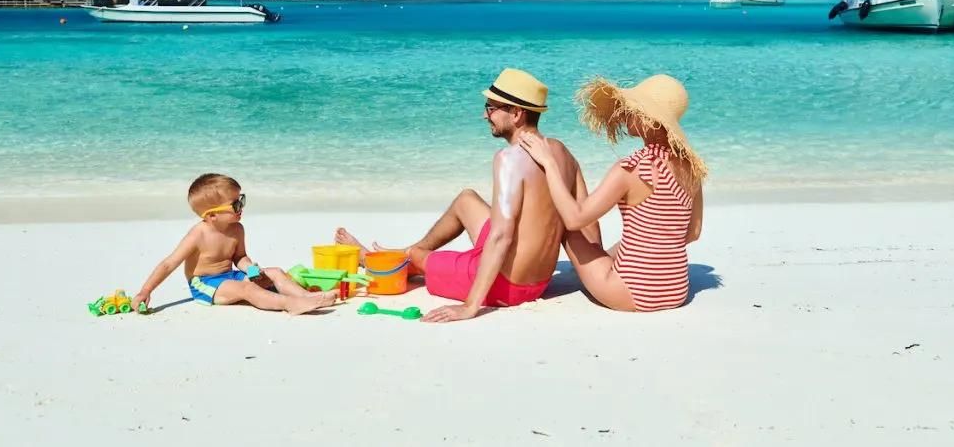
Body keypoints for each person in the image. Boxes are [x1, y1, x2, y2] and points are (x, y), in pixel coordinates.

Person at [335, 68, 585, 323]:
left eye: (491, 108)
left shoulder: (509, 160)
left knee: (416, 258)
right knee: (467, 199)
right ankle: (410, 251)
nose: (484, 114)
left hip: (505, 285)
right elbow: (585, 225)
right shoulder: (562, 153)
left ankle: (376, 259)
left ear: (517, 113)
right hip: (538, 281)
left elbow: (501, 236)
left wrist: (470, 306)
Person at [519, 73, 707, 312]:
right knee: (606, 247)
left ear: (649, 118)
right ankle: (601, 259)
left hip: (632, 293)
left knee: (564, 221)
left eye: (632, 108)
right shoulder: (692, 167)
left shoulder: (630, 169)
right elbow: (692, 233)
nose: (625, 112)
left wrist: (549, 163)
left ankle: (526, 277)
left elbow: (575, 218)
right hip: (677, 290)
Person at [131, 173, 336, 315]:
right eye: (236, 204)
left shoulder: (237, 229)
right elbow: (168, 264)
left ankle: (308, 297)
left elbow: (239, 257)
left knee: (274, 272)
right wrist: (145, 291)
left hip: (230, 276)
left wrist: (251, 269)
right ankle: (289, 304)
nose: (241, 207)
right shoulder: (198, 235)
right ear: (211, 216)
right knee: (248, 291)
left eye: (242, 200)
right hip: (206, 284)